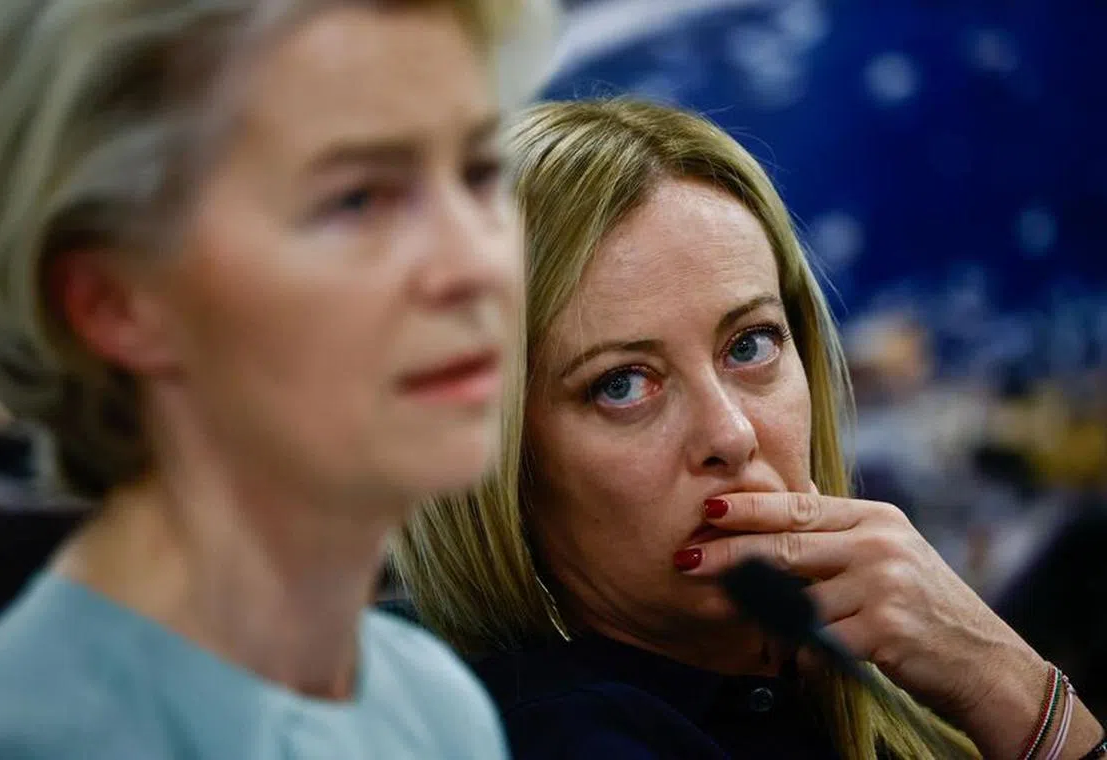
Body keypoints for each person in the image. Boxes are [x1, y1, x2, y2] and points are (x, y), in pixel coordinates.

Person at [394, 99, 1107, 759]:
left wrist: (988, 672)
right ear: (499, 462)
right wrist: (1013, 694)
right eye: (621, 384)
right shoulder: (555, 736)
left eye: (750, 345)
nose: (731, 434)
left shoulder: (840, 688)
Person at [0, 0, 525, 757]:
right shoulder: (29, 739)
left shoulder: (433, 704)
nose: (476, 265)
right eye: (358, 199)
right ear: (116, 303)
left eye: (480, 172)